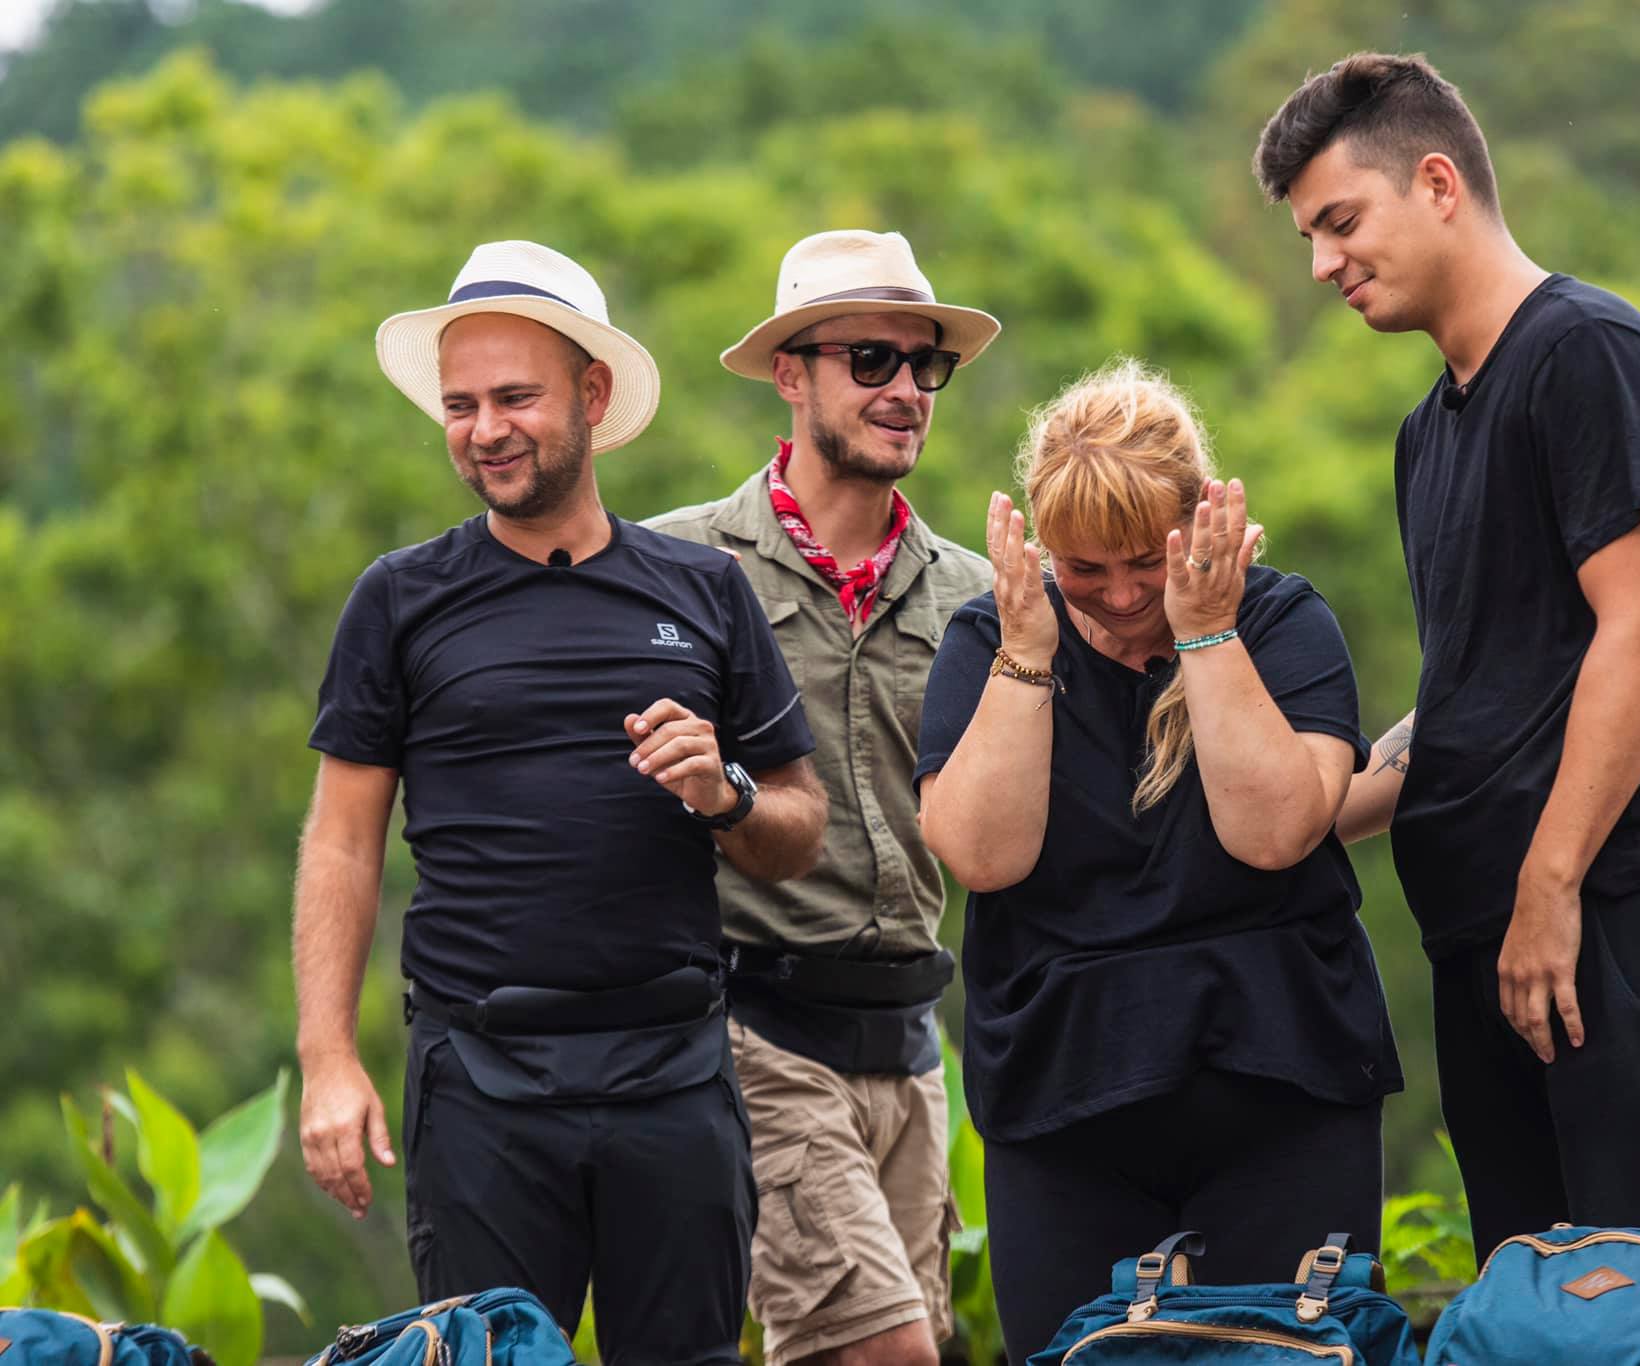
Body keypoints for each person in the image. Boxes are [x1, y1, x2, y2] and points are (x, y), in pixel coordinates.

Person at [1254, 54, 1640, 1259]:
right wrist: (1288, 804)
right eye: (1309, 237)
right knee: (1529, 1313)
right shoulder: (1424, 435)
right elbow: (1472, 700)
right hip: (1492, 939)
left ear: (1437, 184)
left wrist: (1548, 888)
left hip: (1615, 914)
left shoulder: (1586, 351)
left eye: (1339, 221)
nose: (1322, 263)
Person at [293, 240, 827, 1366]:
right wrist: (328, 1058)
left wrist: (724, 793)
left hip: (675, 1074)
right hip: (478, 1080)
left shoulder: (704, 589)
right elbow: (341, 843)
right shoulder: (399, 599)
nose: (484, 429)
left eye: (514, 398)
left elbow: (797, 827)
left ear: (591, 394)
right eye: (460, 406)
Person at [915, 359, 1402, 1358]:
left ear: (1199, 515)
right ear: (1042, 549)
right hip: (1063, 1098)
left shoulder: (1279, 621)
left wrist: (1206, 633)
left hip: (1280, 1083)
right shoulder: (992, 638)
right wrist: (1027, 652)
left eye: (1146, 560)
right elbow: (980, 856)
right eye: (1085, 569)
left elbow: (1274, 832)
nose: (1122, 594)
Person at [644, 229, 1000, 1366]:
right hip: (756, 1032)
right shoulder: (678, 570)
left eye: (923, 364)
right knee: (882, 1351)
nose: (905, 390)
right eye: (870, 360)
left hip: (911, 1045)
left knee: (909, 1345)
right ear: (789, 376)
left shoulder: (981, 596)